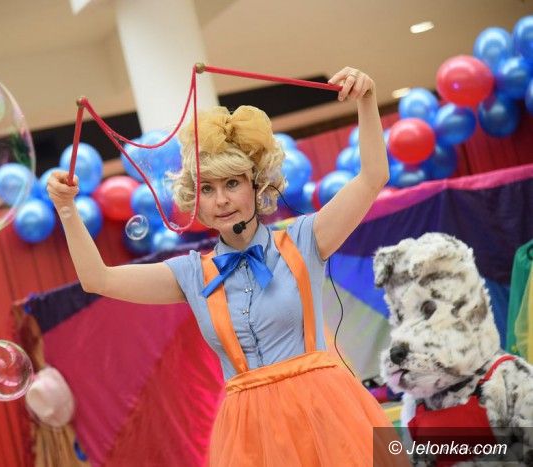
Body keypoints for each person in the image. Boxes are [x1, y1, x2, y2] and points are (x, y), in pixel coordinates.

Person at [47, 67, 406, 466]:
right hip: (250, 433)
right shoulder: (191, 274)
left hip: (324, 414)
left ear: (257, 184)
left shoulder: (305, 240)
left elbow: (373, 177)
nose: (221, 200)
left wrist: (367, 100)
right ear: (194, 200)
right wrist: (66, 209)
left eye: (232, 183)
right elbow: (97, 279)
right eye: (207, 188)